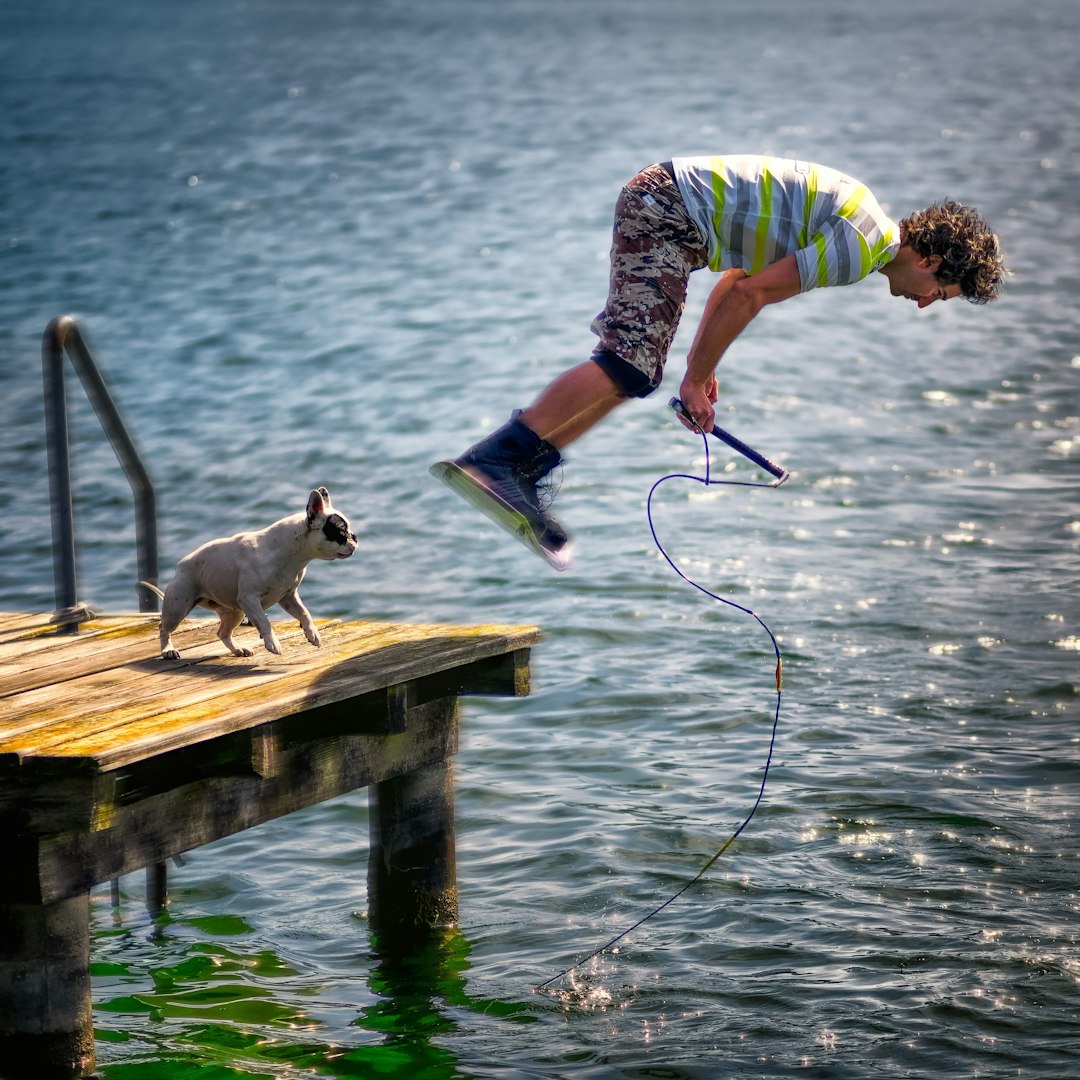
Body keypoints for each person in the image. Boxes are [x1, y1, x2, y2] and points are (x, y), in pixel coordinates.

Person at [448, 155, 1006, 555]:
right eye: (941, 295)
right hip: (666, 208)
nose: (926, 305)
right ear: (931, 262)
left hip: (669, 207)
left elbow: (739, 278)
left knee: (635, 373)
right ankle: (499, 460)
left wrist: (703, 370)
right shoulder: (864, 248)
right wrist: (693, 379)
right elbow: (748, 295)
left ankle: (519, 464)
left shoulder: (865, 233)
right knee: (628, 364)